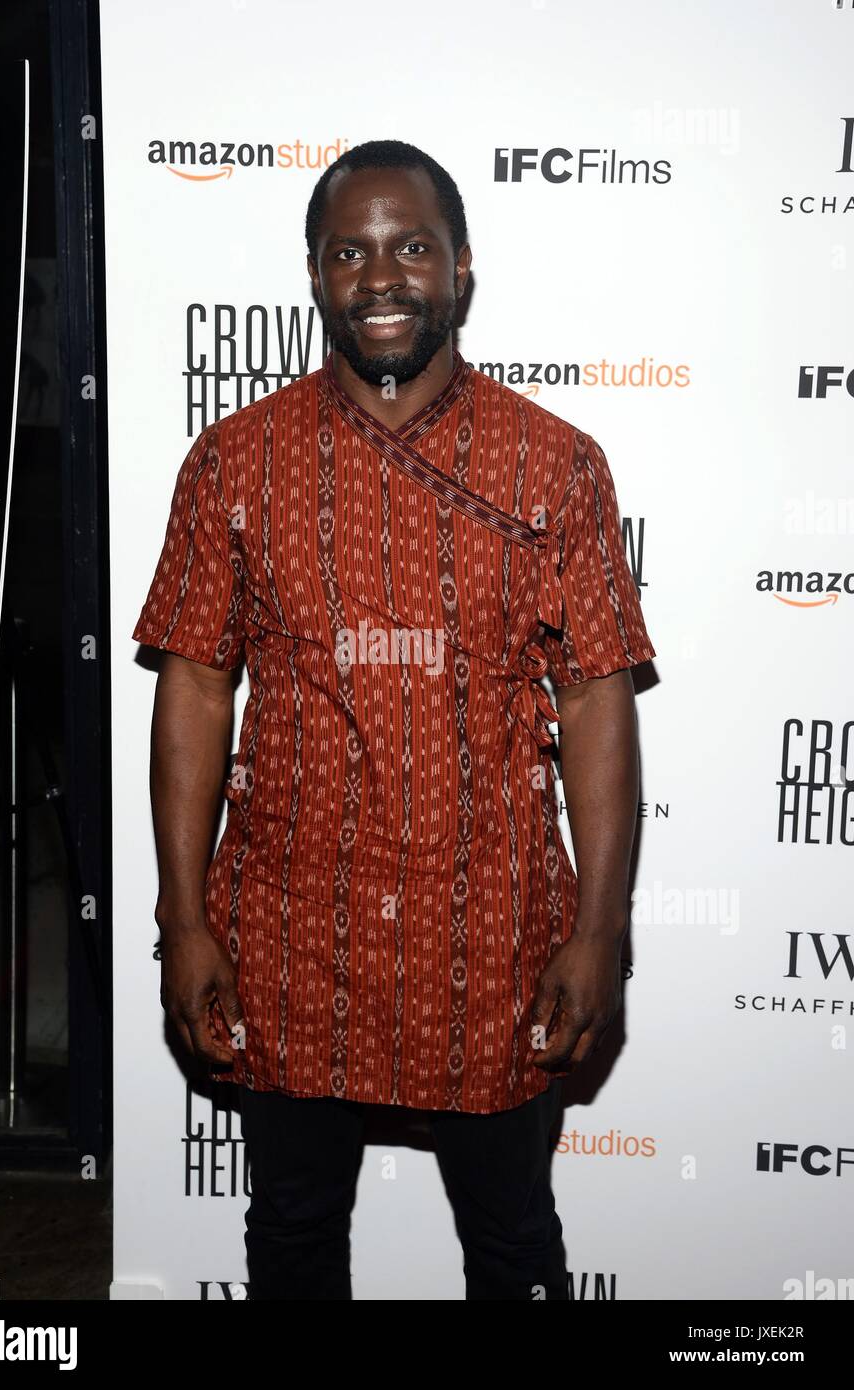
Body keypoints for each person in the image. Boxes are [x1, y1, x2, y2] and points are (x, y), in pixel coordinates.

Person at [131, 139, 656, 1300]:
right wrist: (184, 918)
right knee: (295, 1231)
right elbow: (195, 688)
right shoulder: (233, 464)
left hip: (491, 936)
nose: (382, 276)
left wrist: (598, 927)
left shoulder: (556, 466)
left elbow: (596, 692)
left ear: (461, 268)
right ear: (314, 276)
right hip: (285, 932)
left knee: (514, 1238)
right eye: (349, 252)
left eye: (411, 247)